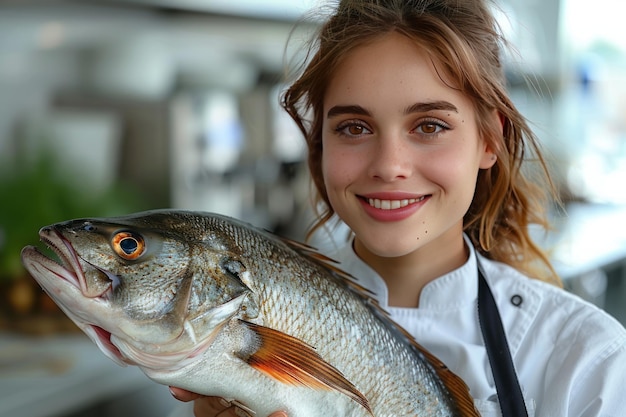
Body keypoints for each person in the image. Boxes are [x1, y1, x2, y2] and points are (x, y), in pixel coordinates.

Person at [170, 0, 626, 415]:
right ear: (320, 143)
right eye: (354, 127)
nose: (389, 166)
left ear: (490, 139)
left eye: (429, 125)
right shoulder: (227, 347)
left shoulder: (589, 362)